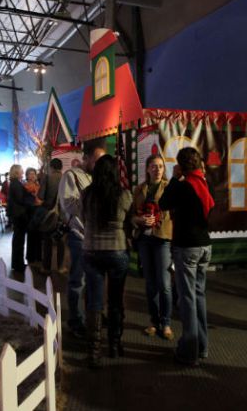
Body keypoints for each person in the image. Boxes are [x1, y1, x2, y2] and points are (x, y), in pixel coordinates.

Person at [159, 147, 214, 366]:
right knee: (199, 296)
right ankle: (202, 346)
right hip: (204, 246)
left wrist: (174, 178)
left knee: (187, 299)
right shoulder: (202, 182)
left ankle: (189, 352)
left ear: (181, 165)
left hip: (187, 248)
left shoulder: (183, 187)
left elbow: (163, 204)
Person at [81, 154, 133, 367]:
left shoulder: (86, 195)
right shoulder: (124, 195)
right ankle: (114, 344)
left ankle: (94, 352)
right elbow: (129, 220)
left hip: (92, 250)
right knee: (115, 299)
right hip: (117, 250)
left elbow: (83, 219)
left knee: (94, 301)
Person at [58, 143, 106, 338]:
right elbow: (68, 204)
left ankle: (93, 316)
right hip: (79, 236)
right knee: (77, 280)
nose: (99, 165)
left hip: (97, 237)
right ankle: (75, 320)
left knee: (95, 280)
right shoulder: (71, 176)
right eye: (97, 160)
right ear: (86, 158)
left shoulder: (99, 178)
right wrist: (91, 200)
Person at [131, 154, 174, 341]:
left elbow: (174, 212)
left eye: (161, 166)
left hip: (163, 238)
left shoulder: (170, 188)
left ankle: (166, 323)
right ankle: (154, 321)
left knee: (164, 284)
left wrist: (159, 218)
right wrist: (138, 220)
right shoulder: (139, 189)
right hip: (144, 240)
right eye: (154, 166)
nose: (157, 170)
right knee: (150, 284)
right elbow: (131, 215)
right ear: (147, 169)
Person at [38, 158, 65, 274]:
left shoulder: (47, 178)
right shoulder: (66, 178)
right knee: (61, 241)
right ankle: (61, 267)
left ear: (52, 167)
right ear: (61, 167)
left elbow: (41, 196)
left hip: (49, 213)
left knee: (47, 241)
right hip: (63, 215)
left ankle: (46, 268)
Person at [7, 164, 30, 272]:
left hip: (17, 214)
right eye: (21, 170)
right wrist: (31, 198)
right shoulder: (16, 184)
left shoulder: (15, 183)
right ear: (16, 172)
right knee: (19, 241)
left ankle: (17, 263)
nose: (23, 171)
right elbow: (20, 199)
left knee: (18, 240)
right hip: (19, 214)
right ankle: (18, 265)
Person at [24, 167, 43, 268]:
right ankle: (31, 256)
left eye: (33, 174)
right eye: (30, 174)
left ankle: (38, 255)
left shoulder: (37, 184)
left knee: (38, 234)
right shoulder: (26, 185)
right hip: (31, 211)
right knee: (31, 234)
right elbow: (35, 196)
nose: (32, 175)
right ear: (27, 176)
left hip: (38, 210)